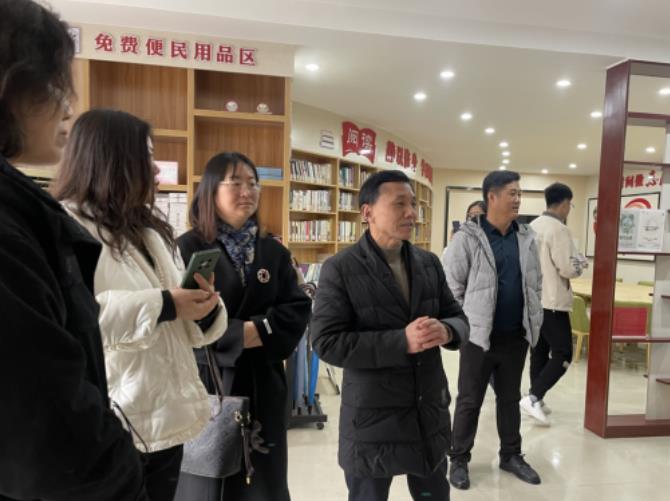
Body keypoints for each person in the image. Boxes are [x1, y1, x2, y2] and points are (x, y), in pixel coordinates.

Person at [0, 1, 147, 499]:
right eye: (56, 86)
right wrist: (166, 304)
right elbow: (46, 416)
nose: (67, 108)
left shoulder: (152, 232)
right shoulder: (24, 225)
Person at [52, 109, 228, 500]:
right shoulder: (66, 227)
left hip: (167, 416)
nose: (156, 169)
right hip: (116, 421)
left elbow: (180, 319)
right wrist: (166, 304)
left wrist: (204, 307)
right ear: (111, 159)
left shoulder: (150, 230)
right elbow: (76, 318)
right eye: (146, 156)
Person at [311, 170, 470, 501]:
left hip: (427, 412)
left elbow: (458, 317)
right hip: (372, 420)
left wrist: (447, 330)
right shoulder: (340, 268)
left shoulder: (429, 263)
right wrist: (402, 341)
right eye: (399, 204)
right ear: (367, 212)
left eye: (413, 204)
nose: (411, 213)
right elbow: (326, 341)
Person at [175, 152, 311, 501]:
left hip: (264, 381)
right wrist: (238, 335)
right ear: (210, 190)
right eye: (235, 182)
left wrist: (258, 331)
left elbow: (297, 308)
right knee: (209, 481)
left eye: (253, 183)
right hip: (210, 383)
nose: (247, 191)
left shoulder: (273, 251)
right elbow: (184, 318)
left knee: (264, 481)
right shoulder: (188, 247)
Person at [442, 170, 543, 490]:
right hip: (478, 338)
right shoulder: (467, 238)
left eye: (519, 193)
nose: (518, 199)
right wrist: (466, 324)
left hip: (516, 337)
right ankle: (459, 458)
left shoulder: (526, 237)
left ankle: (511, 455)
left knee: (510, 398)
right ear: (492, 197)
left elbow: (535, 282)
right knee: (469, 399)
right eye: (512, 193)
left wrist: (533, 318)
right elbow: (451, 288)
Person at [521, 182, 586, 425]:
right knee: (563, 353)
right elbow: (568, 268)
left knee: (538, 351)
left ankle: (535, 398)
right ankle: (534, 397)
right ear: (565, 203)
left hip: (533, 300)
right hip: (553, 302)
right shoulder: (559, 230)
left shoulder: (532, 226)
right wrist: (580, 263)